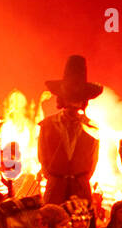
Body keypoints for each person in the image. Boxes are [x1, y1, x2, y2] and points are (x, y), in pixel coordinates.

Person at [38, 55, 103, 206]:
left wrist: (78, 178)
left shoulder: (92, 127)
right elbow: (43, 157)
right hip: (55, 189)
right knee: (52, 225)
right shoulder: (47, 125)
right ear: (62, 98)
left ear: (84, 101)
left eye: (79, 97)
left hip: (81, 190)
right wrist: (57, 179)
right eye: (71, 97)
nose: (75, 102)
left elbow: (93, 161)